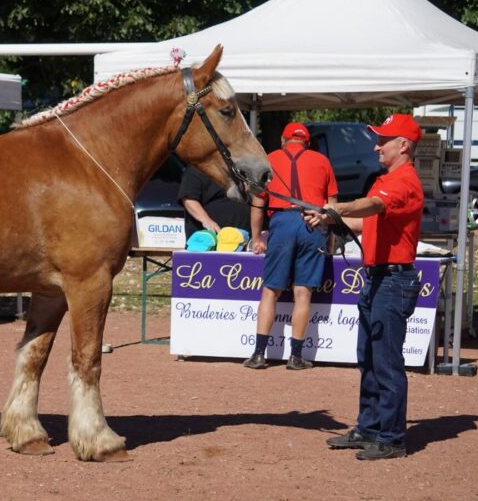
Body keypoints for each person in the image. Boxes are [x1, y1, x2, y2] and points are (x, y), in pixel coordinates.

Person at [303, 113, 424, 460]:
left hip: (392, 280)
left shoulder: (404, 181)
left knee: (385, 361)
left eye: (383, 140)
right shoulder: (388, 180)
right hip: (378, 279)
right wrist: (330, 218)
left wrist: (336, 207)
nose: (376, 146)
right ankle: (370, 428)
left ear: (403, 145)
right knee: (368, 357)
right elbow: (365, 219)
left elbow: (372, 205)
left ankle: (392, 438)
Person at [244, 122, 338, 370]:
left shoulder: (269, 159)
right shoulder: (323, 161)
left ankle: (259, 354)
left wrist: (256, 238)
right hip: (312, 223)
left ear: (284, 141)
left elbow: (258, 204)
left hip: (281, 222)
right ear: (307, 142)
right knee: (303, 293)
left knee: (270, 291)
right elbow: (332, 205)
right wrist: (330, 235)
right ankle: (296, 356)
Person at [178, 165, 251, 237]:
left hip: (245, 239)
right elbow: (189, 199)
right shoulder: (196, 169)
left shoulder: (240, 170)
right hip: (210, 241)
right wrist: (206, 221)